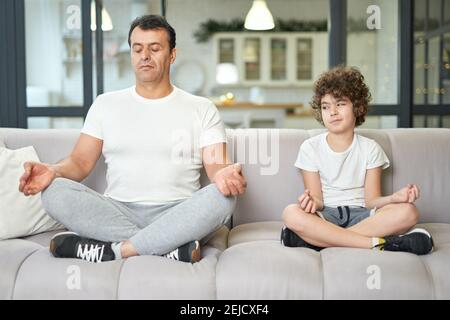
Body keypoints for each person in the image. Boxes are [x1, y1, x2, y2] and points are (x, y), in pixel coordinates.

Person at [18, 15, 246, 263]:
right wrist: (52, 170)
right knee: (54, 192)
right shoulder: (105, 104)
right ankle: (168, 246)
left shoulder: (202, 108)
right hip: (117, 211)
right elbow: (80, 163)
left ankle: (118, 250)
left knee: (223, 198)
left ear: (172, 55)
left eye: (154, 48)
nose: (144, 56)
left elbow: (216, 167)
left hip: (179, 211)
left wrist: (224, 175)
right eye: (138, 49)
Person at [281, 66, 434, 255]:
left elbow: (371, 201)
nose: (332, 112)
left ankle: (319, 241)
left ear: (358, 107)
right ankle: (382, 244)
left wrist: (394, 198)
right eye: (325, 106)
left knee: (408, 212)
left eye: (340, 104)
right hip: (325, 216)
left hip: (364, 216)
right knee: (291, 213)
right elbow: (318, 200)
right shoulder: (310, 147)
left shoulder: (370, 148)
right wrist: (311, 202)